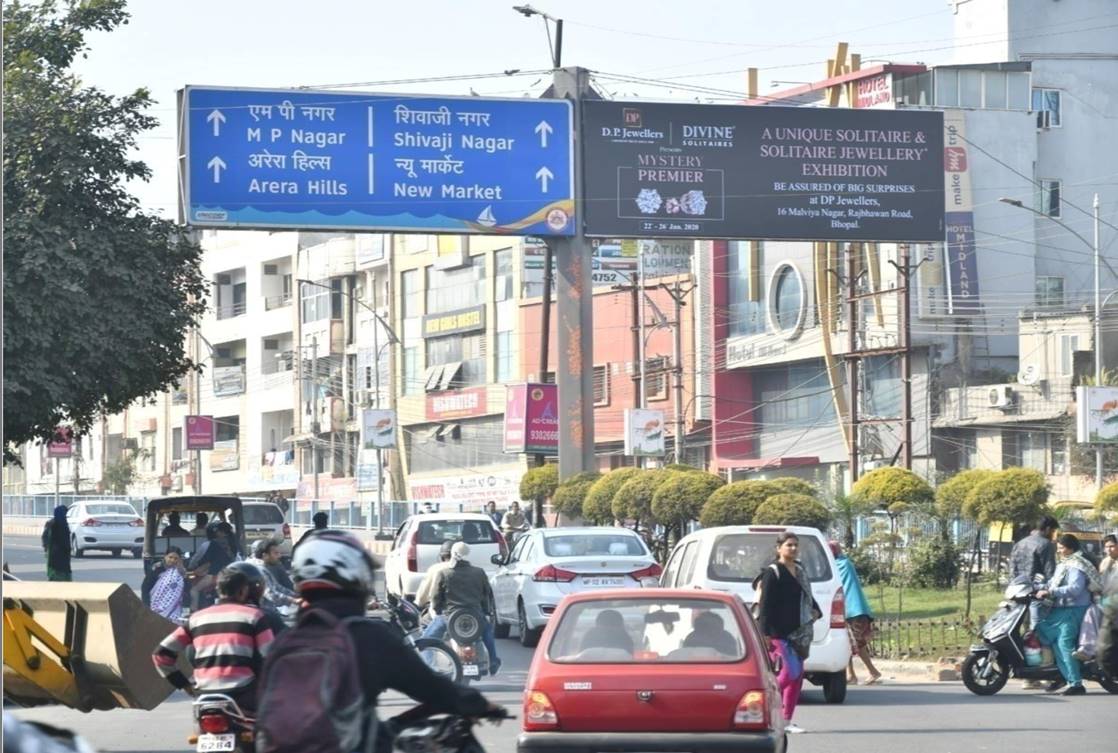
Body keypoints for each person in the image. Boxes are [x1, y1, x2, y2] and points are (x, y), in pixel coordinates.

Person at [259, 529, 499, 752]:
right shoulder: (366, 636)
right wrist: (477, 702)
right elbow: (430, 686)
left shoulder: (286, 640)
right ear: (356, 577)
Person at [152, 562, 275, 712]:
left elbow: (161, 655)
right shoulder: (254, 616)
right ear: (243, 591)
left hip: (204, 695)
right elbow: (270, 657)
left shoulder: (196, 619)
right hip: (243, 694)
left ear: (218, 590)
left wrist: (185, 685)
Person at [753, 532, 821, 735]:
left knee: (798, 676)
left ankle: (785, 720)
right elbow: (765, 606)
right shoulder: (773, 572)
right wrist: (765, 634)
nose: (793, 548)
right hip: (777, 632)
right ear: (779, 548)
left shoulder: (799, 570)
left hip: (798, 632)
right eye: (789, 545)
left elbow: (807, 595)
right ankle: (760, 702)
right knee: (789, 672)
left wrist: (816, 610)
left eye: (795, 545)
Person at [1034, 533, 1104, 696]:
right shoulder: (1064, 564)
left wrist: (1050, 591)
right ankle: (1064, 675)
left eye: (1062, 548)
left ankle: (1076, 683)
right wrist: (1036, 586)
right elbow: (1052, 582)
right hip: (1060, 610)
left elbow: (1075, 589)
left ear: (1071, 548)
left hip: (1074, 609)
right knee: (1048, 636)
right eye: (1057, 548)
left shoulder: (1076, 565)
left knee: (1064, 645)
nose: (1059, 551)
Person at [428, 542, 501, 675]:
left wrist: (438, 611)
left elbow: (435, 597)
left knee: (427, 639)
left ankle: (428, 669)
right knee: (487, 632)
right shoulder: (479, 572)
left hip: (450, 617)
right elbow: (486, 595)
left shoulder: (444, 573)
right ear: (468, 555)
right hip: (475, 617)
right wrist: (486, 612)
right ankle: (493, 660)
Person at [830, 541, 882, 686]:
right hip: (851, 610)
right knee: (848, 643)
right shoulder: (845, 562)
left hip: (853, 610)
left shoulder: (839, 566)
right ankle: (852, 674)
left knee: (854, 643)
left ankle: (872, 672)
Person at [187, 521, 237, 611]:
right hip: (230, 575)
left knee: (194, 590)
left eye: (218, 530)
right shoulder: (234, 543)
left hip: (214, 576)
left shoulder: (211, 544)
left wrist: (191, 567)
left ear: (220, 532)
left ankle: (192, 613)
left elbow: (199, 560)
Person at [415, 540, 456, 618]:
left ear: (442, 557)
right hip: (469, 616)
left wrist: (419, 603)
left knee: (423, 622)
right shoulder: (472, 570)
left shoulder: (436, 569)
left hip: (443, 615)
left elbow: (422, 596)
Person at [147, 548, 187, 621]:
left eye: (176, 558)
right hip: (155, 606)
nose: (172, 560)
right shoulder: (157, 568)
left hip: (174, 608)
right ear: (165, 557)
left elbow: (184, 588)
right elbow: (146, 587)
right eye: (170, 557)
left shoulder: (180, 571)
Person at [41, 505, 72, 582]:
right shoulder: (53, 525)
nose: (65, 516)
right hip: (55, 554)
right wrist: (47, 547)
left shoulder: (62, 524)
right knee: (57, 574)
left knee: (61, 573)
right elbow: (46, 537)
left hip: (59, 555)